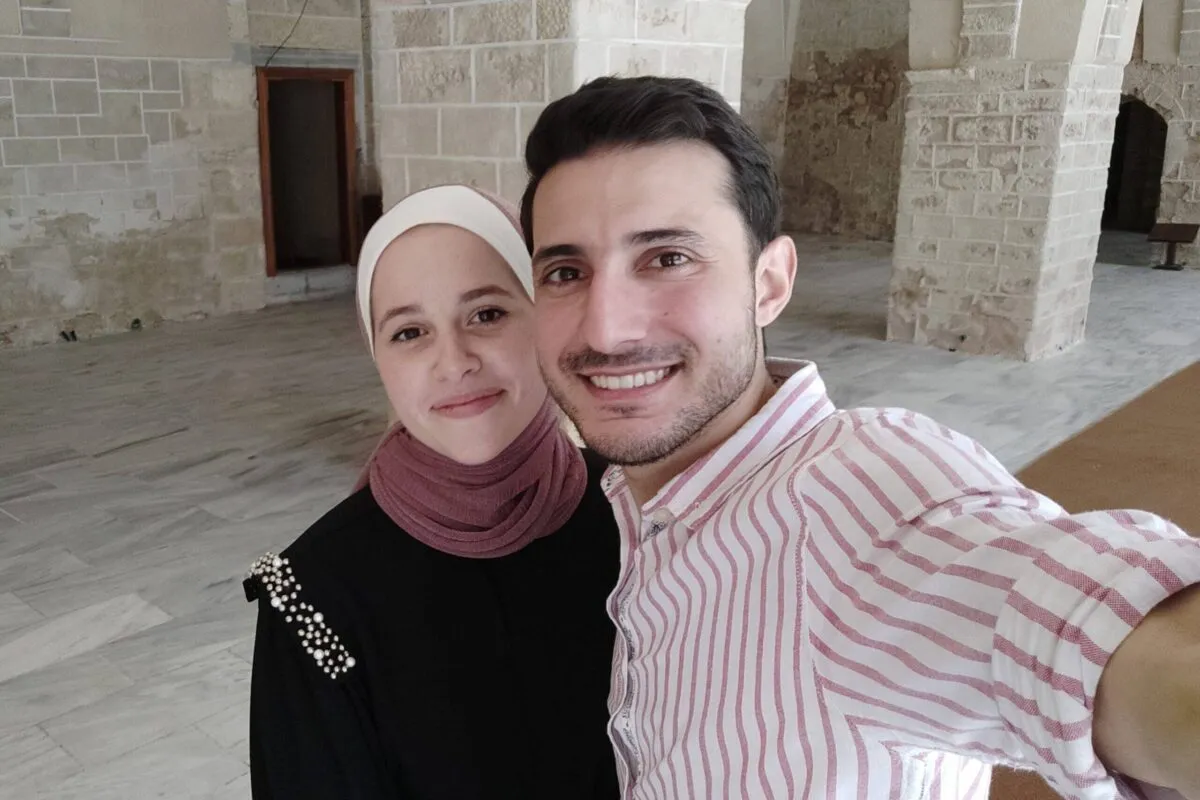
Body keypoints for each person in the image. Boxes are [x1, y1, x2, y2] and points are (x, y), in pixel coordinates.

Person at [520, 76, 1200, 800]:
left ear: (769, 283)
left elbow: (1079, 628)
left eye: (668, 259)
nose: (606, 328)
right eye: (566, 271)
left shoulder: (862, 502)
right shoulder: (632, 495)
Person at [243, 184, 621, 800]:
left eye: (487, 314)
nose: (454, 362)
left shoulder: (637, 508)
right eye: (409, 332)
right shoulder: (313, 596)